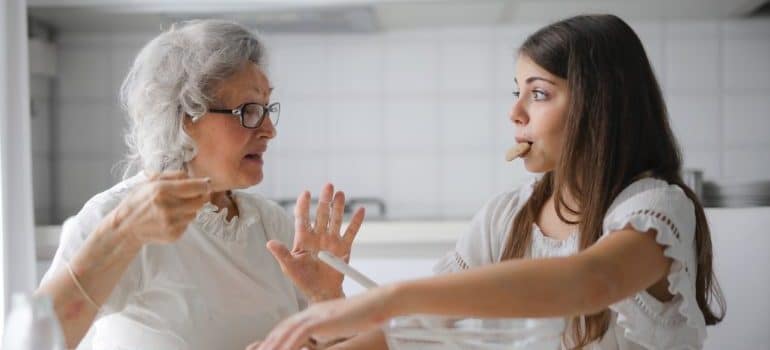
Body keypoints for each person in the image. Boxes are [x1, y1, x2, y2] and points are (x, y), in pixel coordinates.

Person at [255, 14, 726, 350]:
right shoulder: (508, 214)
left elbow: (590, 280)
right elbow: (418, 328)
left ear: (600, 107)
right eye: (516, 92)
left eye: (538, 94)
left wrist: (389, 297)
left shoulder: (656, 210)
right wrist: (320, 321)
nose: (515, 112)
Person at [36, 19, 364, 350]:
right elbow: (35, 340)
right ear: (185, 116)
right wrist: (121, 233)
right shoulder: (117, 217)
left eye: (267, 109)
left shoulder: (272, 226)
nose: (269, 130)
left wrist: (327, 298)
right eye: (249, 110)